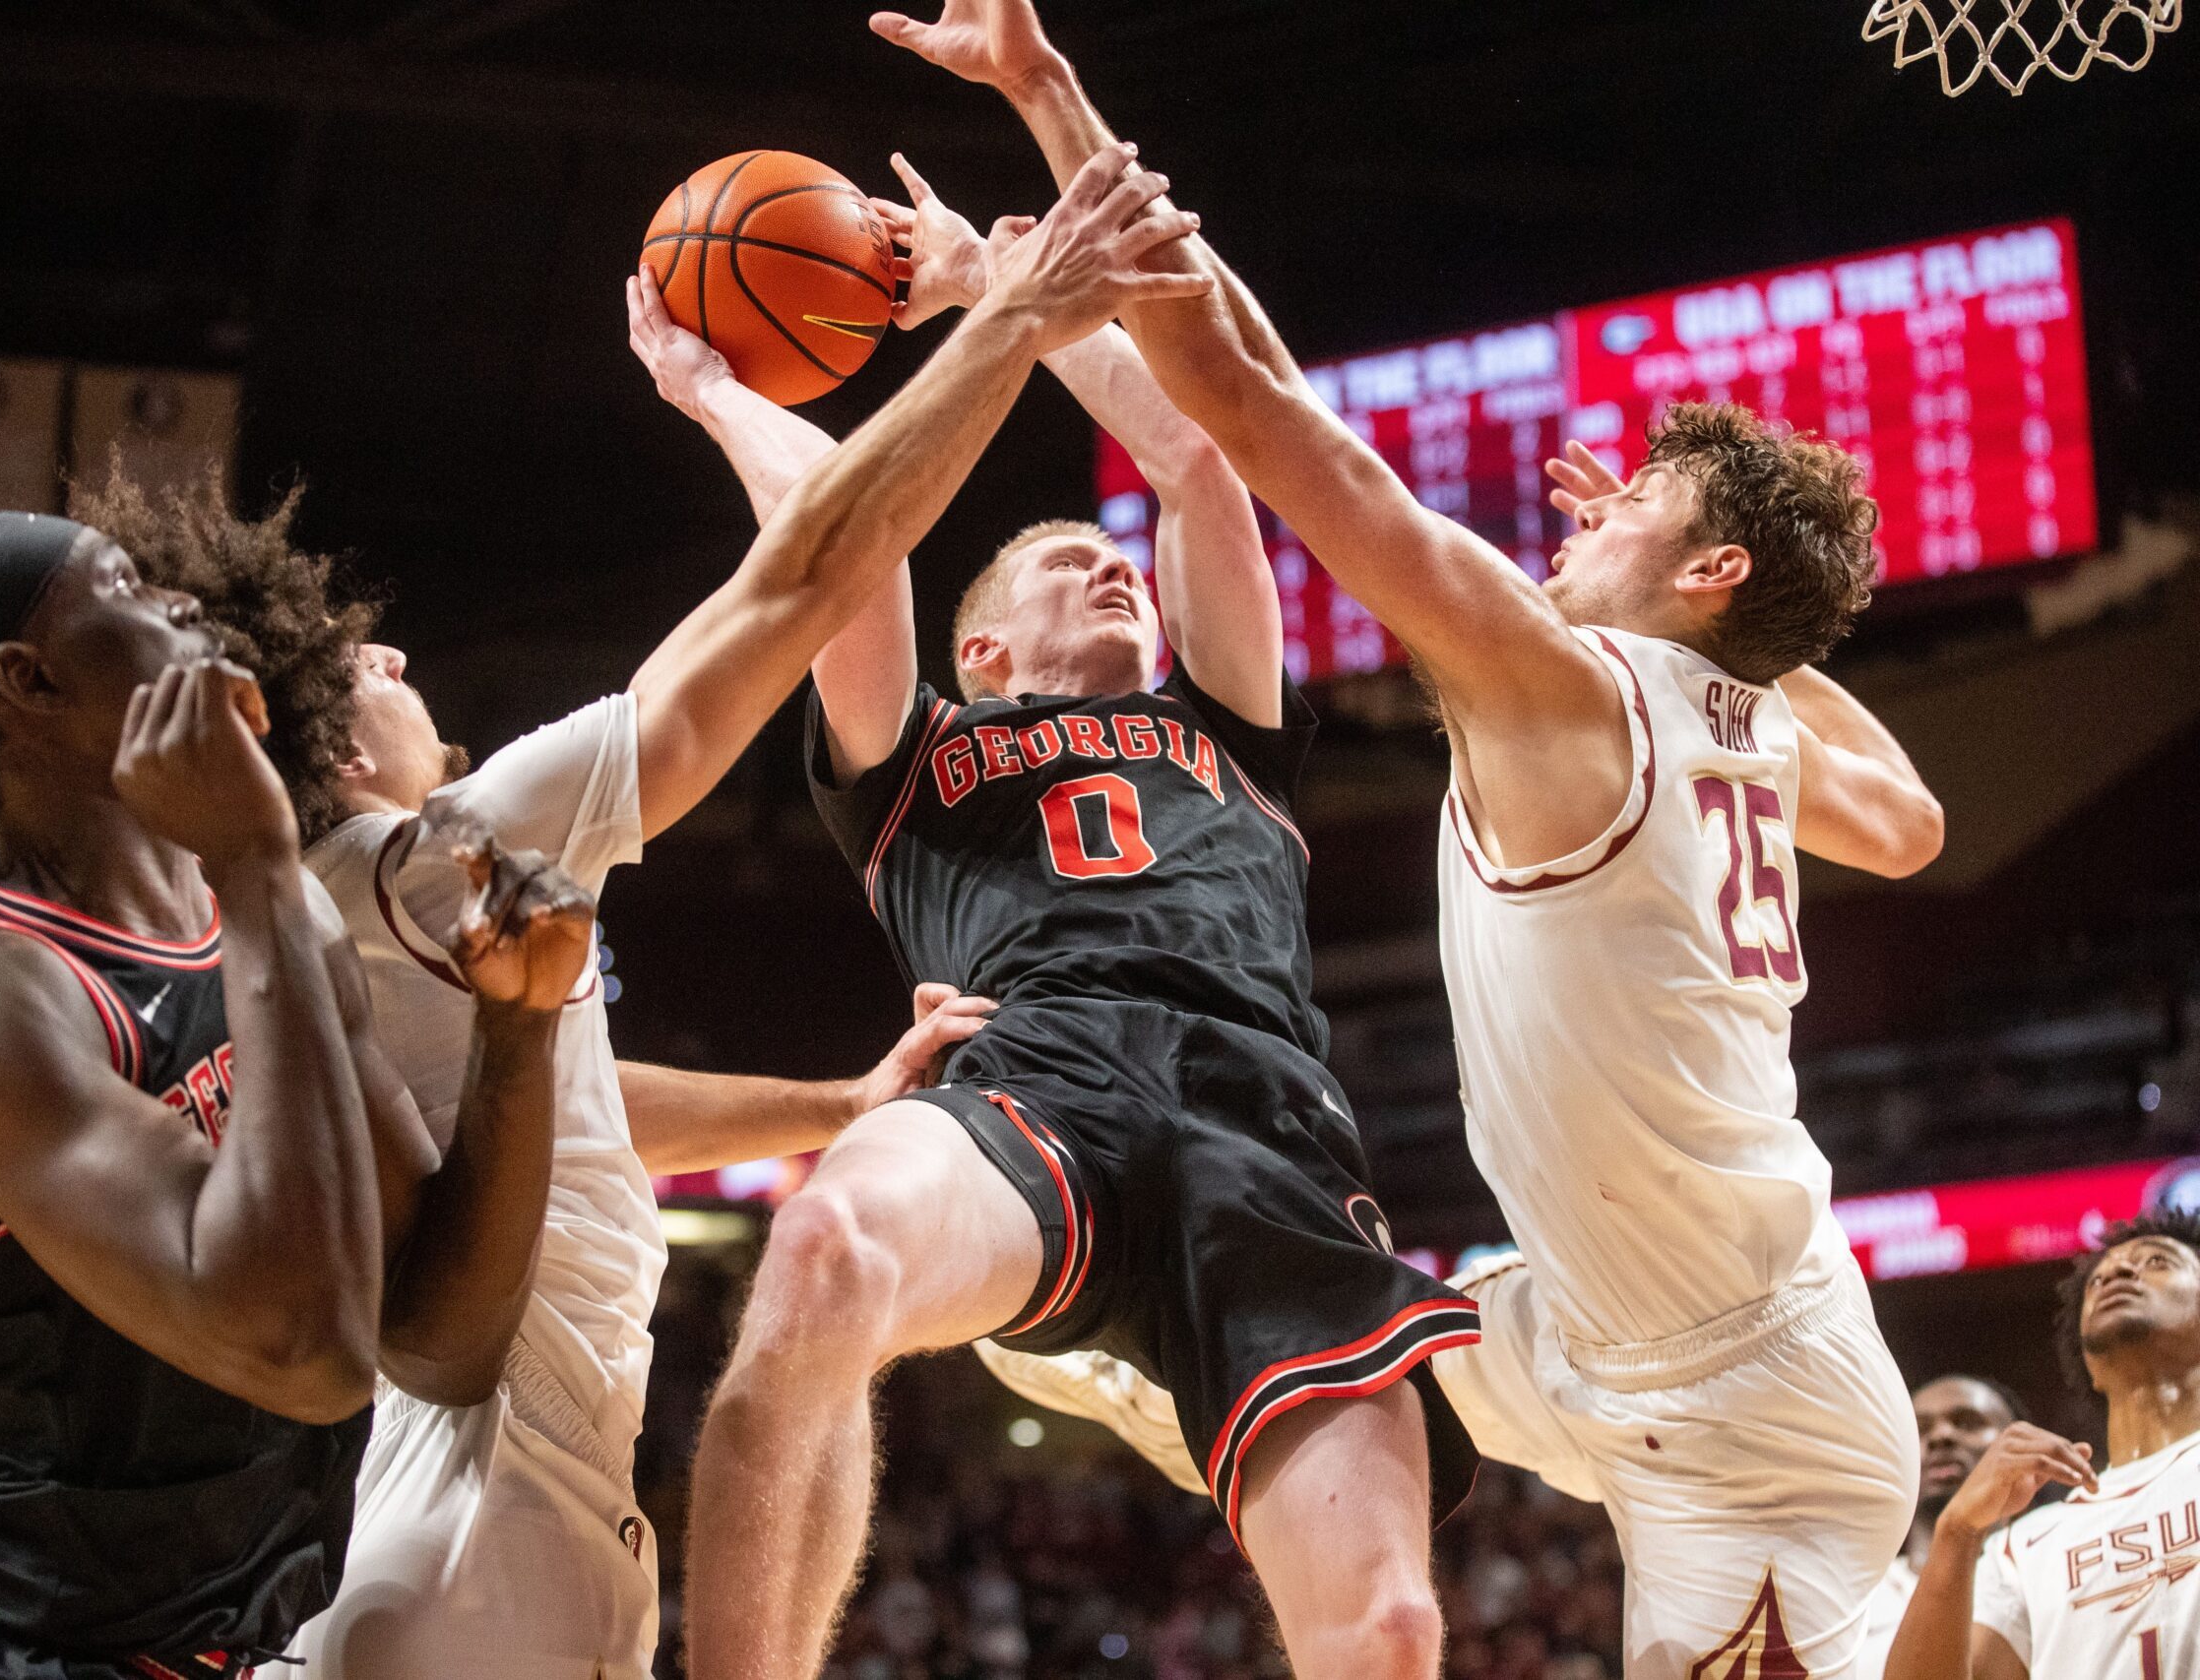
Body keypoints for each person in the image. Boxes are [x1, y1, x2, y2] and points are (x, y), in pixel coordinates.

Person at [872, 7, 1951, 1675]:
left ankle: (1140, 1356)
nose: (1587, 506)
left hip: (1737, 1416)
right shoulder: (1763, 722)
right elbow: (1916, 819)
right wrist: (1744, 623)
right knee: (1344, 1342)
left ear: (1711, 572)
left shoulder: (1559, 682)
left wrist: (1038, 86)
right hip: (1629, 1327)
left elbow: (1240, 396)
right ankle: (1155, 1357)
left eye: (1637, 498)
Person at [78, 138, 1211, 1680]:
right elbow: (812, 574)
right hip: (491, 1554)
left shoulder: (311, 931)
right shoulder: (432, 857)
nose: (404, 666)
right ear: (331, 745)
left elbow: (569, 1106)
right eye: (372, 667)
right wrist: (1007, 315)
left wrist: (834, 1097)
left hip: (459, 1530)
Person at [661, 143, 1482, 1680]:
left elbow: (1195, 461)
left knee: (1389, 1627)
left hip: (1271, 1120)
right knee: (827, 1241)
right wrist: (713, 391)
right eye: (1062, 563)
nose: (1108, 567)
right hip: (1037, 1073)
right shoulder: (912, 755)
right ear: (981, 654)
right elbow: (850, 540)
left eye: (1114, 564)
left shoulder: (1225, 719)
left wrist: (1003, 292)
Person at [0, 510, 593, 1679]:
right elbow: (302, 1354)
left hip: (218, 1649)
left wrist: (515, 1030)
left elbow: (438, 1343)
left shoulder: (268, 918)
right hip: (6, 1654)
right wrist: (258, 864)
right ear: (29, 679)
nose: (180, 608)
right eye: (122, 586)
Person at [1885, 1213, 2200, 1680]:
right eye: (2097, 1279)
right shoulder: (2026, 1545)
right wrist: (1958, 1530)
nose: (2115, 1274)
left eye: (2158, 1261)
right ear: (2089, 1366)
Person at [1854, 1377, 2028, 1680]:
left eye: (1967, 1422)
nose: (1941, 1436)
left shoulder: (2048, 1570)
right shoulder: (1855, 1596)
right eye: (1918, 1430)